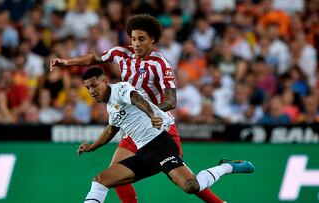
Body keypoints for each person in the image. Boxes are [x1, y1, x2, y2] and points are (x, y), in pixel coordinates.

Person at [50, 14, 225, 203]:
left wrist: (149, 112)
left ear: (153, 40)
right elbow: (94, 58)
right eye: (133, 39)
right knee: (114, 176)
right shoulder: (121, 54)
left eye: (141, 39)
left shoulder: (160, 64)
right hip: (133, 130)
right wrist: (67, 62)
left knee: (183, 180)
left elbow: (171, 100)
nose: (136, 44)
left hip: (159, 127)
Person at [78, 67, 255, 203]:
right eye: (88, 88)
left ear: (105, 81)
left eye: (94, 85)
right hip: (144, 154)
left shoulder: (120, 89)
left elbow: (137, 99)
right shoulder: (111, 107)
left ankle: (227, 166)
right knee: (100, 180)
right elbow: (111, 129)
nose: (92, 91)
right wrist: (91, 147)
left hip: (162, 146)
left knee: (191, 186)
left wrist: (152, 114)